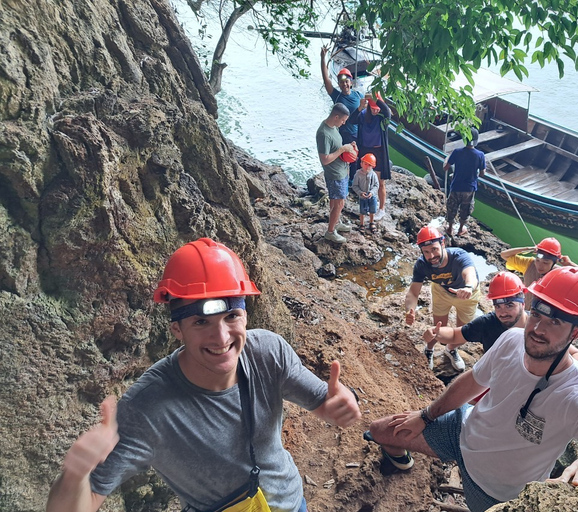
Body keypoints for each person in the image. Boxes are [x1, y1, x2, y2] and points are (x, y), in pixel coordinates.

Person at [46, 238, 361, 512]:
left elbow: (325, 404)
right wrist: (75, 474)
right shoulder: (147, 409)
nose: (221, 337)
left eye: (232, 316)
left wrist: (340, 405)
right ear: (177, 329)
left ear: (245, 314)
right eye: (200, 323)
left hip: (292, 504)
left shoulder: (268, 352)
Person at [367, 267, 578, 512]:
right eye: (538, 314)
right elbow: (473, 381)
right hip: (461, 431)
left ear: (576, 333)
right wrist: (426, 416)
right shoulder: (511, 339)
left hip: (495, 492)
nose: (538, 329)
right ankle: (402, 463)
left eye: (556, 322)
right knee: (380, 430)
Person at [422, 272, 578, 371]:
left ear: (523, 303)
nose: (503, 312)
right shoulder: (488, 324)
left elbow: (575, 353)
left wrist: (557, 375)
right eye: (497, 306)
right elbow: (456, 335)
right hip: (492, 378)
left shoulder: (537, 327)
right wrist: (436, 333)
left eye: (509, 305)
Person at [404, 226, 481, 371]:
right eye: (426, 252)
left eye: (434, 249)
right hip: (442, 291)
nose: (431, 256)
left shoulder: (459, 256)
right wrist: (410, 310)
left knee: (462, 330)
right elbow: (413, 293)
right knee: (438, 326)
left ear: (443, 243)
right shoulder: (422, 265)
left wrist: (468, 287)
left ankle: (451, 349)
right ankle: (429, 349)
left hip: (467, 294)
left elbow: (469, 273)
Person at [501, 237, 578, 309]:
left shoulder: (561, 273)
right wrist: (529, 248)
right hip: (525, 311)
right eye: (538, 261)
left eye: (546, 263)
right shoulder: (529, 263)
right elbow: (504, 255)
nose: (540, 265)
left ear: (554, 262)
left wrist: (569, 264)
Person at [316, 102, 358, 243]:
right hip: (334, 174)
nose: (344, 123)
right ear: (336, 116)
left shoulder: (334, 127)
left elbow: (337, 147)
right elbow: (325, 159)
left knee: (336, 201)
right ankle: (330, 232)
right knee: (339, 203)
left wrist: (348, 148)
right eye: (343, 120)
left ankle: (336, 222)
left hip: (342, 170)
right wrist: (342, 150)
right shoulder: (324, 134)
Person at [320, 46, 364, 178]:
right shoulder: (337, 96)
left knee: (357, 158)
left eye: (346, 81)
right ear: (338, 84)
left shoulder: (358, 95)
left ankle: (355, 181)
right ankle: (346, 180)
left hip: (358, 132)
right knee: (345, 158)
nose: (344, 84)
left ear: (350, 82)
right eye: (341, 82)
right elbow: (326, 79)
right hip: (344, 132)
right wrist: (323, 58)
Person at [355, 92, 392, 221]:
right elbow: (352, 120)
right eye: (373, 109)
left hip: (379, 150)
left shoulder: (383, 117)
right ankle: (367, 208)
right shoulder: (364, 115)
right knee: (365, 181)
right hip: (365, 149)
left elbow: (387, 111)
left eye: (377, 109)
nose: (376, 111)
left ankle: (381, 209)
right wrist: (360, 106)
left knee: (381, 182)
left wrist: (375, 98)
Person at [443, 127, 486, 237]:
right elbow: (482, 174)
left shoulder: (457, 152)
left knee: (452, 207)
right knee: (465, 209)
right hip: (469, 188)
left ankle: (450, 228)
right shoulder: (480, 155)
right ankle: (461, 229)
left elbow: (446, 167)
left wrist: (447, 159)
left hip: (456, 186)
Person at [352, 153, 380, 233]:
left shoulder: (373, 174)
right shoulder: (358, 174)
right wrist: (360, 193)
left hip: (372, 196)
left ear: (373, 166)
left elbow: (376, 185)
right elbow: (355, 186)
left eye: (369, 165)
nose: (367, 166)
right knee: (362, 211)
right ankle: (362, 224)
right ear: (361, 164)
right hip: (362, 197)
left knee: (372, 210)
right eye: (365, 164)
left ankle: (371, 222)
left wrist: (372, 192)